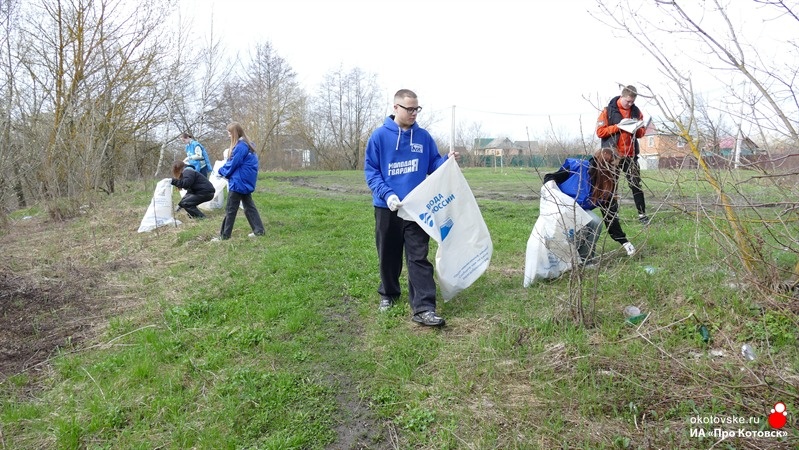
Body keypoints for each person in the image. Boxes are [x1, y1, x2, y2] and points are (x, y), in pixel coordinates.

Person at [364, 89, 458, 327]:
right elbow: (372, 173)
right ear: (396, 108)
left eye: (417, 109)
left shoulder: (423, 137)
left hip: (417, 208)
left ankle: (424, 307)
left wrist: (446, 162)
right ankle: (388, 294)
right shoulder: (379, 137)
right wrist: (388, 195)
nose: (414, 113)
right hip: (388, 208)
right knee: (388, 255)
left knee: (418, 257)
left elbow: (433, 163)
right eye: (409, 109)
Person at [543, 148, 637, 265]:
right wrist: (550, 184)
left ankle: (585, 260)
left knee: (595, 222)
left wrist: (624, 241)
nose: (616, 171)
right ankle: (560, 258)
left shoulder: (606, 185)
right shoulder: (578, 168)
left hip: (579, 212)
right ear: (605, 165)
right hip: (560, 208)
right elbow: (550, 176)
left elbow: (610, 216)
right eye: (614, 166)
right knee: (572, 233)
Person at [596, 85, 650, 225]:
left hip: (630, 156)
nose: (630, 104)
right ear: (622, 97)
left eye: (632, 101)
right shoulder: (608, 111)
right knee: (611, 186)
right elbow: (600, 132)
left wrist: (637, 128)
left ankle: (642, 214)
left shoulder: (636, 112)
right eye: (628, 101)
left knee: (636, 185)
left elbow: (641, 133)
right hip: (612, 156)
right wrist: (618, 127)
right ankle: (612, 216)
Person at [212, 122, 265, 241]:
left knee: (230, 209)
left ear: (235, 133)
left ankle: (224, 236)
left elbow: (233, 164)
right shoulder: (249, 145)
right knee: (249, 206)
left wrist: (220, 171)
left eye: (230, 133)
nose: (229, 135)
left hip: (238, 181)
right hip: (245, 181)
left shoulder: (241, 146)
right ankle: (259, 231)